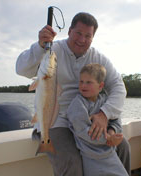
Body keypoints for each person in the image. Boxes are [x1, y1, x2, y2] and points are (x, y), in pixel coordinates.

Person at [16, 12, 131, 176]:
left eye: (88, 36)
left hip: (87, 119)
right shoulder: (51, 51)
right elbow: (21, 69)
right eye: (78, 33)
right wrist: (40, 46)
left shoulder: (98, 58)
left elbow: (119, 87)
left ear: (93, 38)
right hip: (55, 121)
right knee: (72, 163)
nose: (82, 39)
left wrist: (104, 114)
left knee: (123, 147)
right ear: (69, 31)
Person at [67, 63, 128, 176]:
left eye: (89, 82)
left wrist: (112, 132)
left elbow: (115, 118)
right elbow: (82, 131)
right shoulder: (77, 104)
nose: (83, 86)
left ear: (100, 86)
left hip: (110, 153)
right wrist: (108, 139)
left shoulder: (105, 101)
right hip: (91, 156)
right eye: (81, 81)